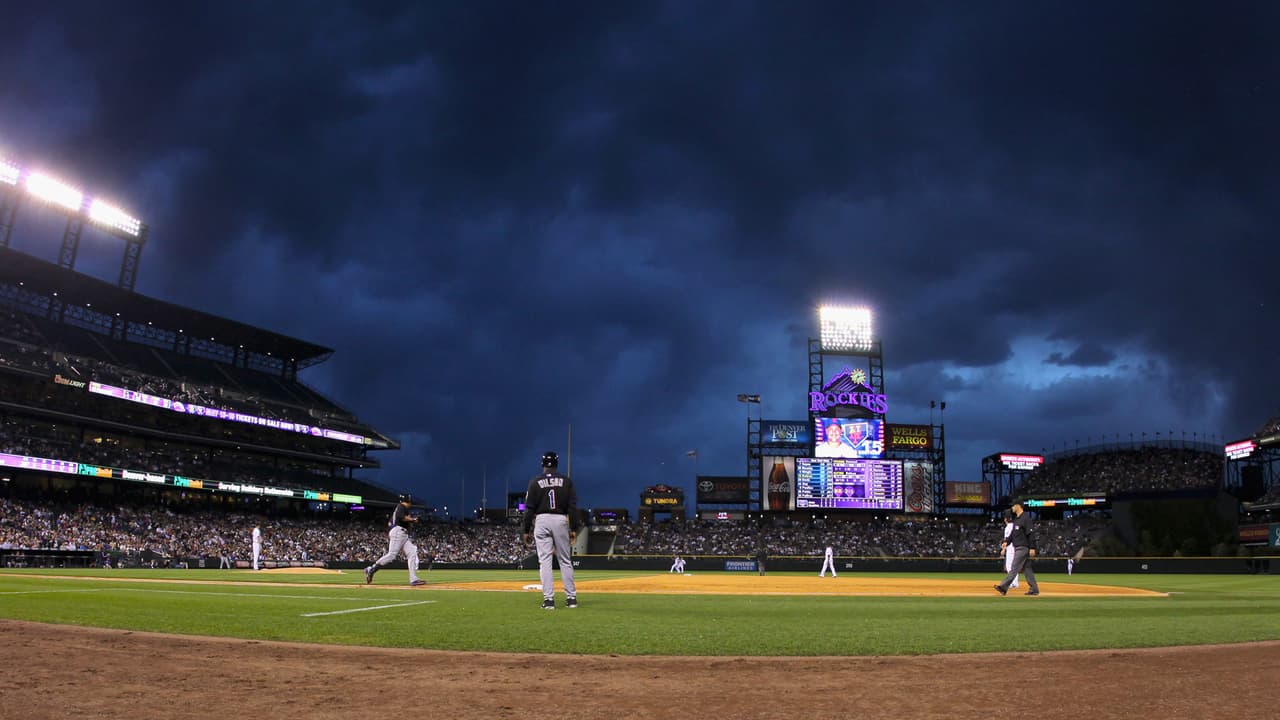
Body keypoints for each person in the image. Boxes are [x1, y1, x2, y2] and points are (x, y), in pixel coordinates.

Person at [523, 451, 580, 609]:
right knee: (565, 560)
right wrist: (573, 528)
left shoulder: (535, 482)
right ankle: (571, 599)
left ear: (542, 464)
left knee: (545, 562)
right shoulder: (566, 481)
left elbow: (529, 509)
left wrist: (526, 530)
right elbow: (572, 507)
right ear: (556, 464)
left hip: (541, 519)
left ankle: (549, 601)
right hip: (560, 519)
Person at [364, 495, 426, 586]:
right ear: (408, 501)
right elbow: (402, 517)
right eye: (410, 501)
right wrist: (413, 519)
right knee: (392, 555)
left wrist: (411, 521)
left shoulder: (401, 509)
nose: (411, 502)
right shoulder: (401, 506)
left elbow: (391, 522)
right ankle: (371, 569)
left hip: (402, 534)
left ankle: (413, 579)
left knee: (412, 552)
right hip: (399, 532)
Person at [994, 502, 1039, 596]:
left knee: (1014, 568)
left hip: (1023, 547)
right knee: (1027, 569)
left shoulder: (1026, 518)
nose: (1012, 508)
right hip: (1018, 547)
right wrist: (1007, 542)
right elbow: (1013, 534)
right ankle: (1034, 589)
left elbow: (1031, 534)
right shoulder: (1017, 519)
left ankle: (1003, 587)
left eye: (1013, 506)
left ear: (1018, 506)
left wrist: (1032, 547)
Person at [999, 511, 1020, 590]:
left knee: (1009, 566)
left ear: (1005, 519)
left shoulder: (1008, 527)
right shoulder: (1015, 525)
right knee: (1014, 566)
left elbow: (1007, 539)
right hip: (1016, 547)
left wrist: (1003, 549)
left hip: (1011, 548)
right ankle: (1015, 582)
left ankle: (1013, 582)